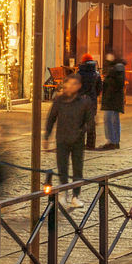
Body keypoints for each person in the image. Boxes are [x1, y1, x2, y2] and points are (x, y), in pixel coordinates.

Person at [43, 77, 95, 205]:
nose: (69, 87)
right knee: (62, 167)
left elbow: (90, 123)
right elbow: (51, 118)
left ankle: (75, 196)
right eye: (67, 84)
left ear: (78, 86)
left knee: (77, 168)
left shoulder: (84, 101)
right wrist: (46, 136)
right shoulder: (59, 100)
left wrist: (81, 132)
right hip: (62, 138)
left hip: (77, 140)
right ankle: (63, 192)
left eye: (73, 84)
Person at [98, 58, 126, 150]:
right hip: (114, 100)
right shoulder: (118, 72)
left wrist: (105, 81)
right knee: (114, 120)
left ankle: (111, 141)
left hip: (111, 100)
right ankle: (115, 141)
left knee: (109, 120)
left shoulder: (115, 72)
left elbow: (113, 86)